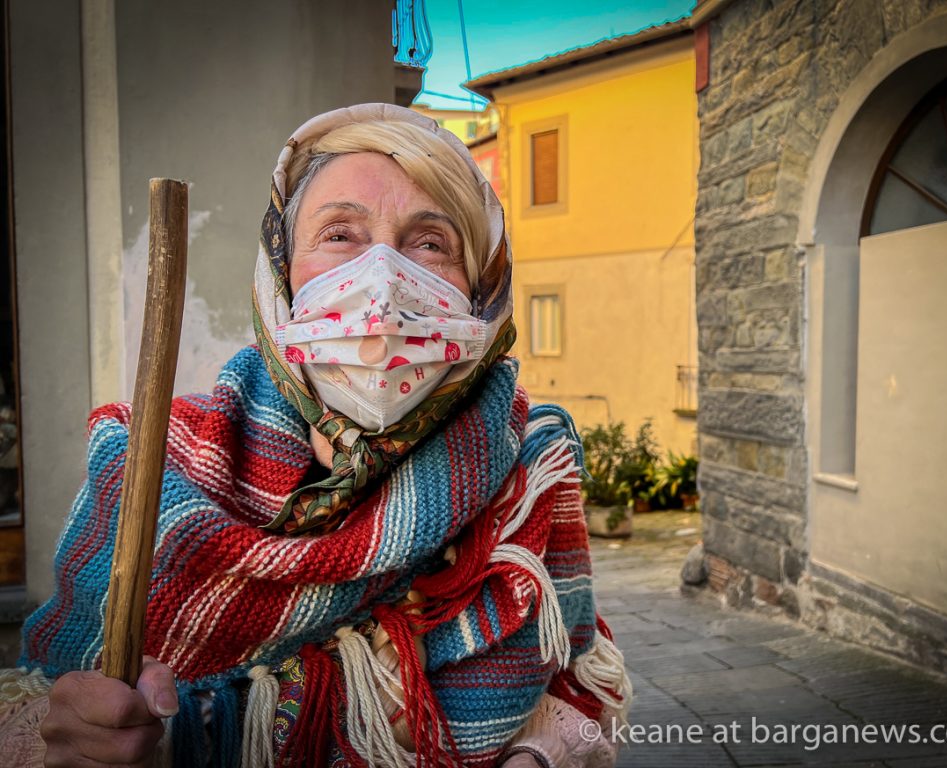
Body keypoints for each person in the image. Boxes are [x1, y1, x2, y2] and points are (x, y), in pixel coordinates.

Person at [0, 104, 630, 767]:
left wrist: (538, 759)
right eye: (340, 234)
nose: (383, 285)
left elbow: (582, 687)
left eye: (430, 243)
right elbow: (38, 706)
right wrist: (68, 736)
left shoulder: (529, 467)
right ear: (280, 280)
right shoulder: (151, 469)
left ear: (481, 293)